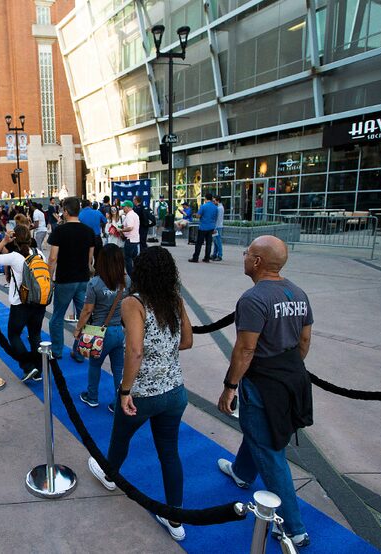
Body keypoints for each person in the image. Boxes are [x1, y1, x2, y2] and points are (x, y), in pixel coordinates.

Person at [87, 246, 193, 542]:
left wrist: (124, 390)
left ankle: (110, 475)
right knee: (169, 452)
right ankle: (176, 517)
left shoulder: (133, 303)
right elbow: (186, 341)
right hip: (175, 391)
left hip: (143, 392)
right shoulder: (175, 300)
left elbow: (134, 351)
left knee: (120, 438)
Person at [216, 235, 314, 548]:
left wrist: (230, 387)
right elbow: (305, 341)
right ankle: (243, 472)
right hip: (291, 376)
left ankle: (293, 526)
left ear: (257, 262)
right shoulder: (298, 292)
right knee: (259, 431)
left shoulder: (253, 298)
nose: (244, 256)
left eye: (248, 253)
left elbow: (246, 349)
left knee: (272, 453)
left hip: (263, 382)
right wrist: (287, 370)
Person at [74, 244, 130, 412]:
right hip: (119, 331)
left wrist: (78, 329)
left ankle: (92, 397)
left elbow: (87, 310)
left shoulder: (94, 283)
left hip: (98, 333)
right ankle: (118, 401)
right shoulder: (126, 281)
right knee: (119, 368)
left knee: (95, 365)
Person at [0, 224, 46, 382]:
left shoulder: (15, 257)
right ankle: (39, 370)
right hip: (39, 302)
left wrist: (4, 241)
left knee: (14, 335)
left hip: (20, 303)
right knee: (35, 335)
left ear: (15, 239)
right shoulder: (39, 253)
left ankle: (28, 366)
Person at [47, 197, 96, 361]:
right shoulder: (88, 231)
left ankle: (57, 350)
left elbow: (53, 258)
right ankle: (80, 351)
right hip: (83, 279)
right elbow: (90, 259)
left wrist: (49, 277)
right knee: (85, 316)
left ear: (66, 211)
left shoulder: (59, 231)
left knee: (57, 317)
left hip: (65, 279)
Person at [189, 192, 218, 263]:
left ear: (205, 198)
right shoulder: (215, 207)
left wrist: (196, 214)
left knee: (199, 243)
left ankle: (195, 258)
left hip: (203, 227)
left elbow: (198, 216)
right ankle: (207, 258)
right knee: (209, 243)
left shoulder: (203, 206)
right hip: (211, 227)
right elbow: (215, 218)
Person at [120, 200, 141, 276]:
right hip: (135, 240)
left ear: (128, 207)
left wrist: (121, 230)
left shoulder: (129, 215)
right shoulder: (135, 214)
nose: (123, 208)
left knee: (128, 259)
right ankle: (136, 276)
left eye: (124, 207)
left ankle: (131, 276)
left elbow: (130, 227)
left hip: (130, 240)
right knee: (134, 259)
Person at [211, 195, 225, 261]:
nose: (213, 202)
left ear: (217, 201)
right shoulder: (220, 207)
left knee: (218, 241)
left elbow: (217, 219)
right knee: (216, 241)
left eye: (214, 201)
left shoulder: (219, 208)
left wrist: (214, 228)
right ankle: (214, 254)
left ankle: (219, 255)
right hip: (218, 226)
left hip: (217, 227)